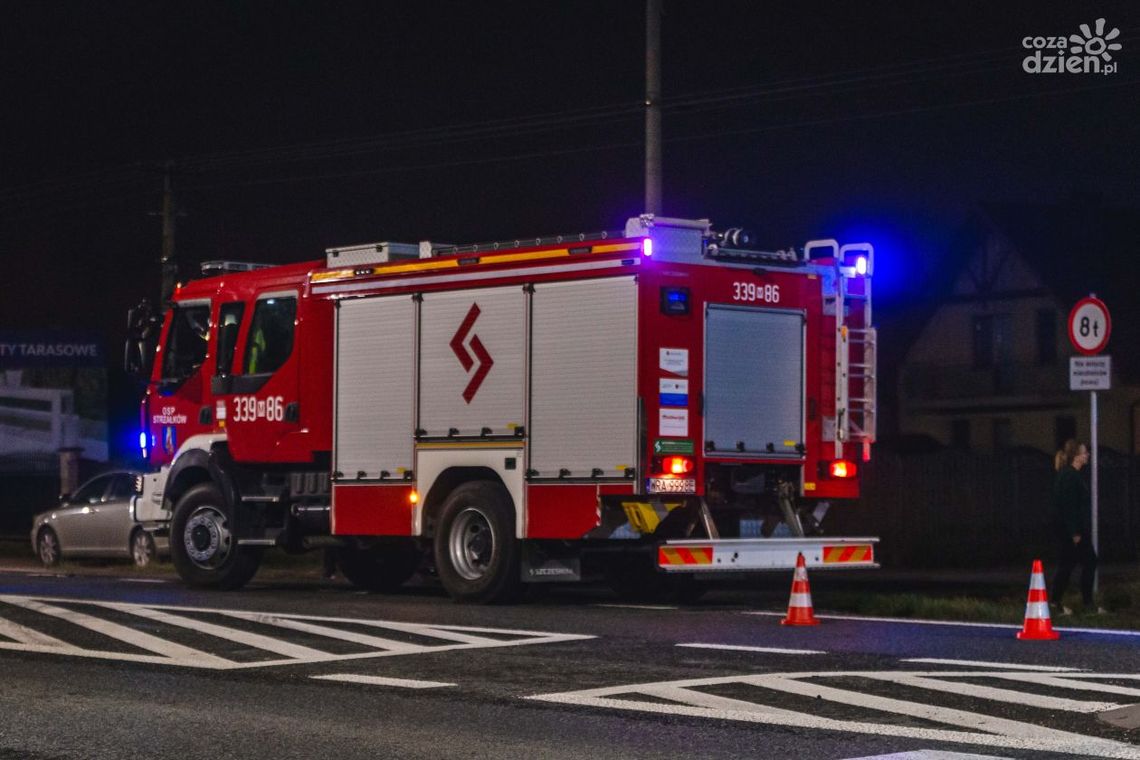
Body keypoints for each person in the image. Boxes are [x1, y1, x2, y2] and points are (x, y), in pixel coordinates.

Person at [1050, 439, 1101, 615]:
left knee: (1068, 564)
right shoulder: (1070, 476)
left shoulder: (1071, 474)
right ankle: (1086, 604)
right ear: (1076, 456)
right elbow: (1068, 506)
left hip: (1069, 529)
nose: (1088, 455)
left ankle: (1056, 602)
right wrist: (1075, 532)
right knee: (1088, 561)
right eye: (1085, 452)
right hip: (1072, 531)